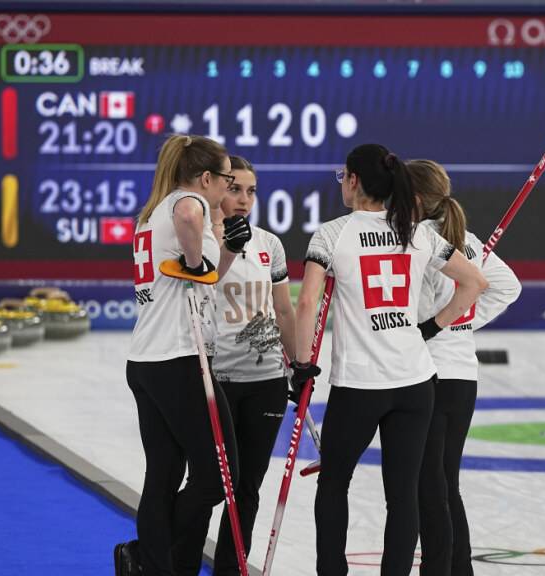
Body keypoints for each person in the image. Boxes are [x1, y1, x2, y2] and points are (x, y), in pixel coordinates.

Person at [292, 144, 488, 576]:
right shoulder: (419, 233)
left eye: (342, 175)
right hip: (416, 382)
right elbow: (475, 282)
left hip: (359, 384)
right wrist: (432, 328)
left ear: (355, 181)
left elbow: (307, 304)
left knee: (334, 483)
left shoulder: (331, 234)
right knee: (402, 496)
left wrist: (301, 365)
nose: (340, 181)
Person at [117, 134, 252, 576]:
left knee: (165, 472)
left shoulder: (151, 213)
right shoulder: (185, 203)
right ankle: (147, 551)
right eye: (227, 182)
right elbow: (190, 217)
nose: (228, 192)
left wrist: (209, 256)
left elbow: (204, 279)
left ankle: (151, 563)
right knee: (220, 474)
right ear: (207, 177)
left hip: (146, 360)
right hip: (177, 360)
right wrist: (195, 258)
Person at [407, 160, 521, 576]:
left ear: (416, 200)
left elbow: (505, 287)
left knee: (430, 486)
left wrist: (443, 323)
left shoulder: (418, 238)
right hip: (461, 378)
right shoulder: (468, 241)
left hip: (431, 373)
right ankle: (458, 569)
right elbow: (507, 287)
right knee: (442, 482)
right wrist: (464, 321)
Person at [209, 155, 297, 575]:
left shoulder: (270, 244)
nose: (244, 199)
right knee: (210, 484)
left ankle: (230, 569)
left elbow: (284, 308)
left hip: (266, 380)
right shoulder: (203, 239)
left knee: (248, 490)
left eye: (251, 191)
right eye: (234, 189)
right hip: (218, 378)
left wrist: (298, 364)